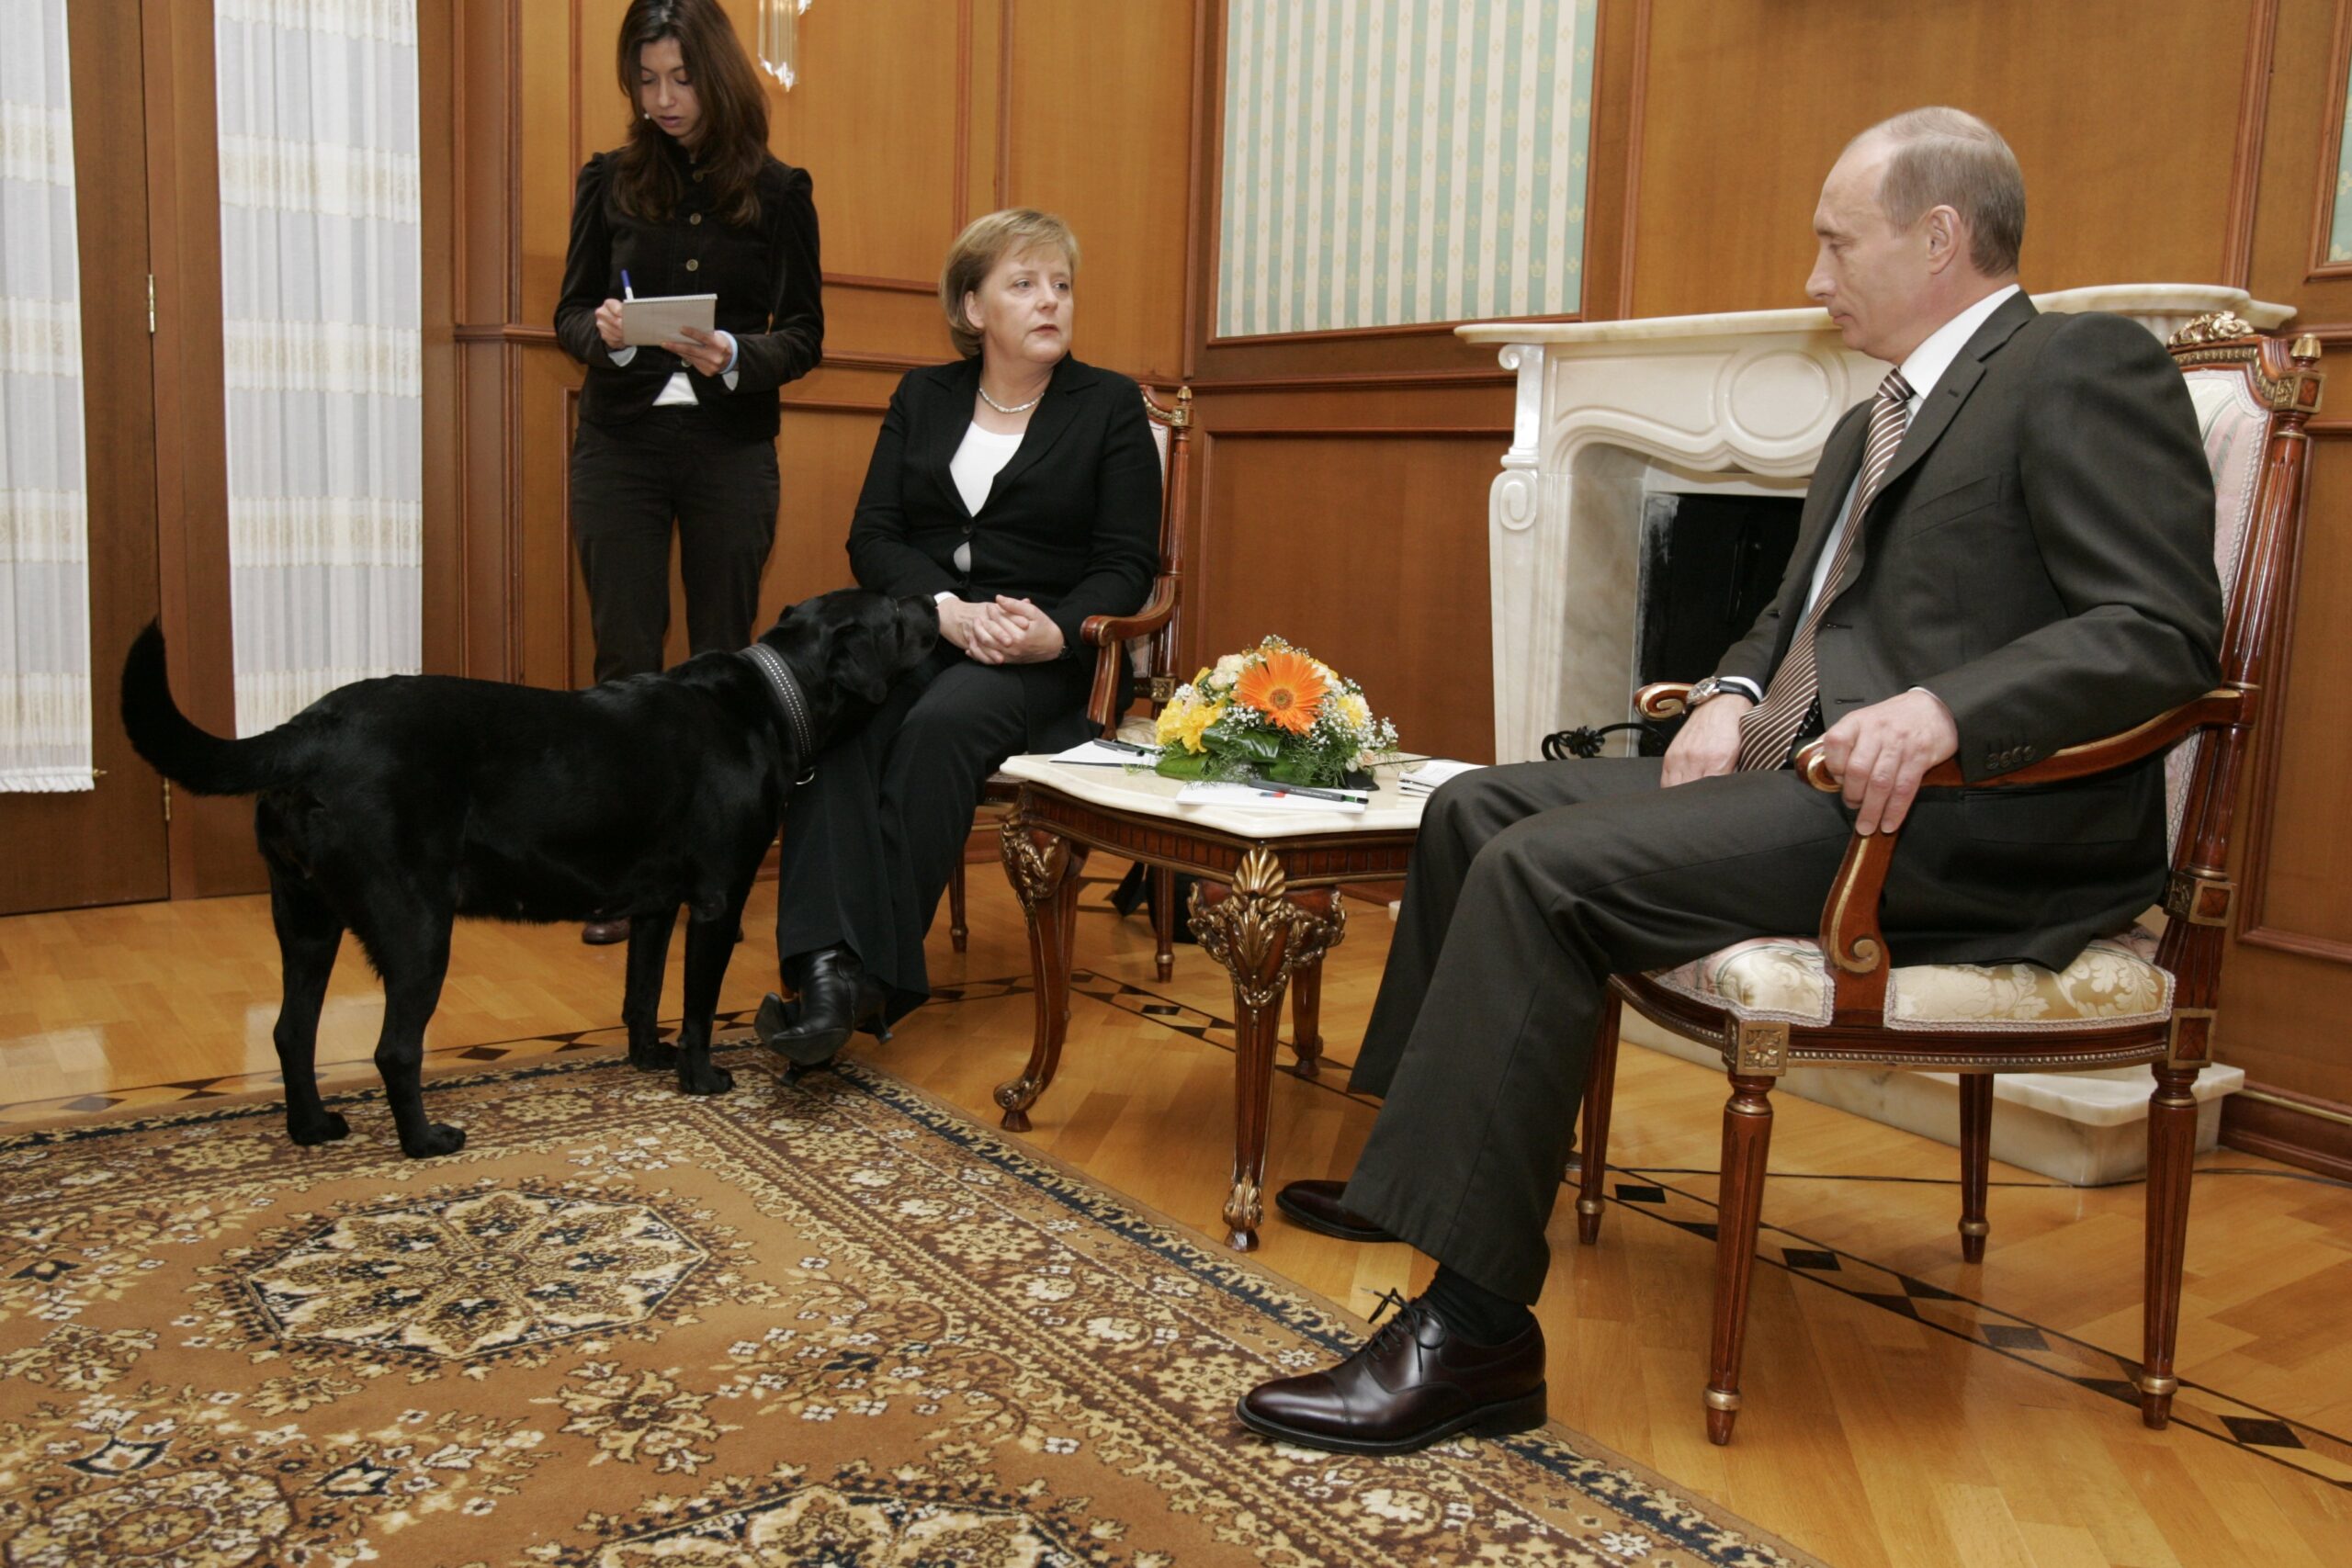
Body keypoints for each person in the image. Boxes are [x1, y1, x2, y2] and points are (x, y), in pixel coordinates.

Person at [1238, 107, 2224, 1456]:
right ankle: (1419, 1160)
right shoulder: (1866, 423)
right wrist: (1727, 693)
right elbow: (1793, 614)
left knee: (1543, 871)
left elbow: (2161, 630)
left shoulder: (2075, 367)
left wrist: (1947, 710)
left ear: (1940, 237)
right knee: (1477, 803)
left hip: (1960, 819)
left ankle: (1474, 1335)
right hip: (1812, 783)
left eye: (1836, 243)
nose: (1814, 276)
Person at [752, 209, 1161, 1062]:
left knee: (942, 724)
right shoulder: (923, 396)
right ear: (973, 306)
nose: (1050, 301)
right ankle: (830, 969)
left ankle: (864, 978)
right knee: (837, 719)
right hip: (931, 630)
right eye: (1024, 284)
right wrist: (942, 607)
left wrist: (1056, 630)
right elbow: (874, 535)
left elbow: (1129, 563)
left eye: (1060, 285)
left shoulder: (1110, 405)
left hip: (1045, 657)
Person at [555, 0, 823, 944]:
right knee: (624, 661)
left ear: (717, 74)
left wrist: (738, 356)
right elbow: (570, 317)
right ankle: (625, 872)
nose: (664, 99)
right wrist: (609, 335)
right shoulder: (608, 180)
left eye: (680, 78)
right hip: (620, 447)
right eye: (646, 80)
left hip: (730, 451)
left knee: (720, 662)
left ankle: (715, 869)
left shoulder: (781, 191)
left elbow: (805, 336)